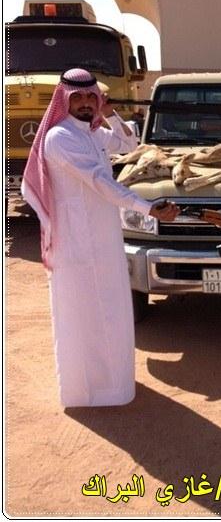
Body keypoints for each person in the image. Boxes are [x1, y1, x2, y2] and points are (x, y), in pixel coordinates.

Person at [21, 68, 179, 408]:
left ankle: (113, 384)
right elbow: (98, 181)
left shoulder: (93, 132)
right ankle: (85, 392)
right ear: (64, 100)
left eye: (90, 97)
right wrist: (146, 207)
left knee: (110, 307)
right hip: (74, 241)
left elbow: (129, 144)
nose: (84, 103)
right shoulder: (60, 137)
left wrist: (110, 114)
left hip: (103, 236)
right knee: (82, 314)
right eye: (76, 97)